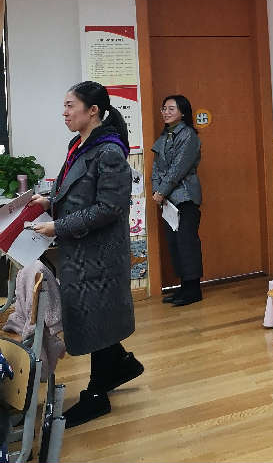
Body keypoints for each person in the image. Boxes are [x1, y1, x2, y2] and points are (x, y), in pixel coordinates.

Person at [28, 81, 143, 428]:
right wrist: (49, 201)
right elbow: (74, 191)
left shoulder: (109, 152)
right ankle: (121, 364)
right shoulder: (77, 144)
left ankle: (96, 396)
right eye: (64, 106)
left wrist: (57, 226)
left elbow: (109, 207)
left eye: (70, 106)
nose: (64, 113)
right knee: (94, 316)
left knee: (96, 317)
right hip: (80, 249)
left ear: (93, 111)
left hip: (101, 253)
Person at [150, 94, 203, 306]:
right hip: (168, 200)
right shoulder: (165, 136)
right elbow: (156, 168)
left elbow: (178, 168)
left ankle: (193, 290)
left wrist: (162, 191)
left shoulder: (188, 135)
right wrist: (157, 190)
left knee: (187, 243)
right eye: (164, 108)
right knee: (175, 244)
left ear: (182, 113)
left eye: (171, 109)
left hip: (185, 197)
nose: (166, 112)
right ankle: (184, 287)